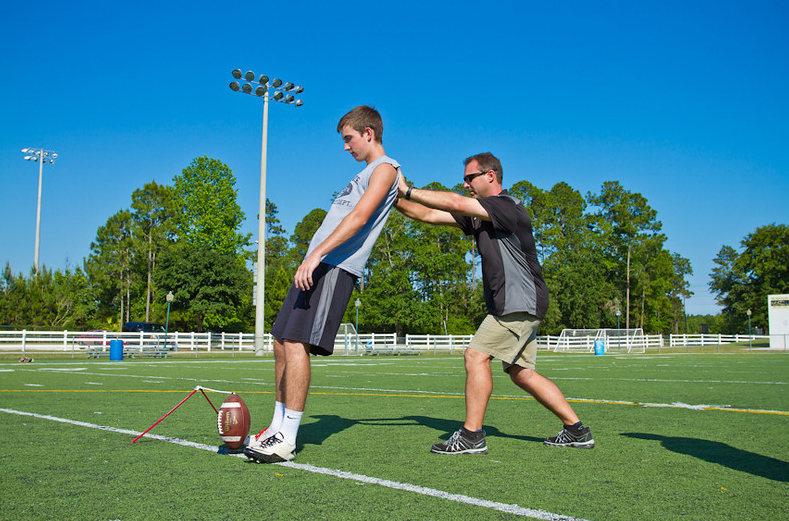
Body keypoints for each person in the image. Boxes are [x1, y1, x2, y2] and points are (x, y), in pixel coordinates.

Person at [394, 152, 594, 453]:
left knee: (475, 356)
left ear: (491, 175)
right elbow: (427, 214)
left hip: (518, 301)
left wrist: (407, 189)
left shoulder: (506, 206)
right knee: (521, 373)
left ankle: (472, 435)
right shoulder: (479, 215)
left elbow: (455, 203)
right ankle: (577, 430)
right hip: (522, 303)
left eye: (470, 177)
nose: (465, 183)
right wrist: (390, 199)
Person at [244, 106, 400, 463]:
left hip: (334, 265)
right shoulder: (368, 173)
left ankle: (288, 438)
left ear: (368, 134)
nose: (346, 147)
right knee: (282, 341)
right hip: (316, 263)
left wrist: (317, 255)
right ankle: (275, 426)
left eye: (349, 138)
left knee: (297, 342)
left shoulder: (386, 169)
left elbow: (361, 217)